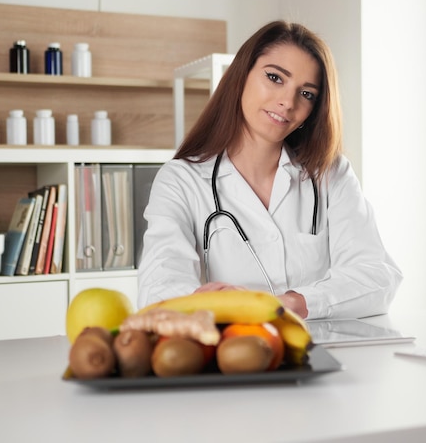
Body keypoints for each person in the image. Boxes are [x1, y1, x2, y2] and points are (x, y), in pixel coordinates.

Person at [137, 20, 402, 319]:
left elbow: (377, 277)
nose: (287, 102)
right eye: (275, 77)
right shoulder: (180, 181)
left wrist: (281, 305)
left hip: (325, 354)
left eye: (307, 94)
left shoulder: (330, 173)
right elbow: (159, 291)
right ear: (240, 76)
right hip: (235, 355)